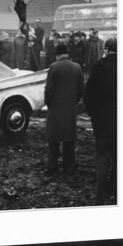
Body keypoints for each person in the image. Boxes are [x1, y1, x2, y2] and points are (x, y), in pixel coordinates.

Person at [84, 38, 117, 204]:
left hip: (102, 121)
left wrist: (93, 115)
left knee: (103, 157)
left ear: (106, 49)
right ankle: (116, 190)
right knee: (119, 156)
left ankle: (100, 196)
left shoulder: (99, 66)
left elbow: (88, 95)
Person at [44, 41, 84, 174]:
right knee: (69, 139)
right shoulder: (77, 67)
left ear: (57, 55)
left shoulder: (54, 67)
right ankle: (69, 167)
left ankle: (52, 166)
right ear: (67, 54)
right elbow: (80, 89)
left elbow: (49, 89)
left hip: (55, 108)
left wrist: (49, 103)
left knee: (53, 139)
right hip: (70, 109)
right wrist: (73, 102)